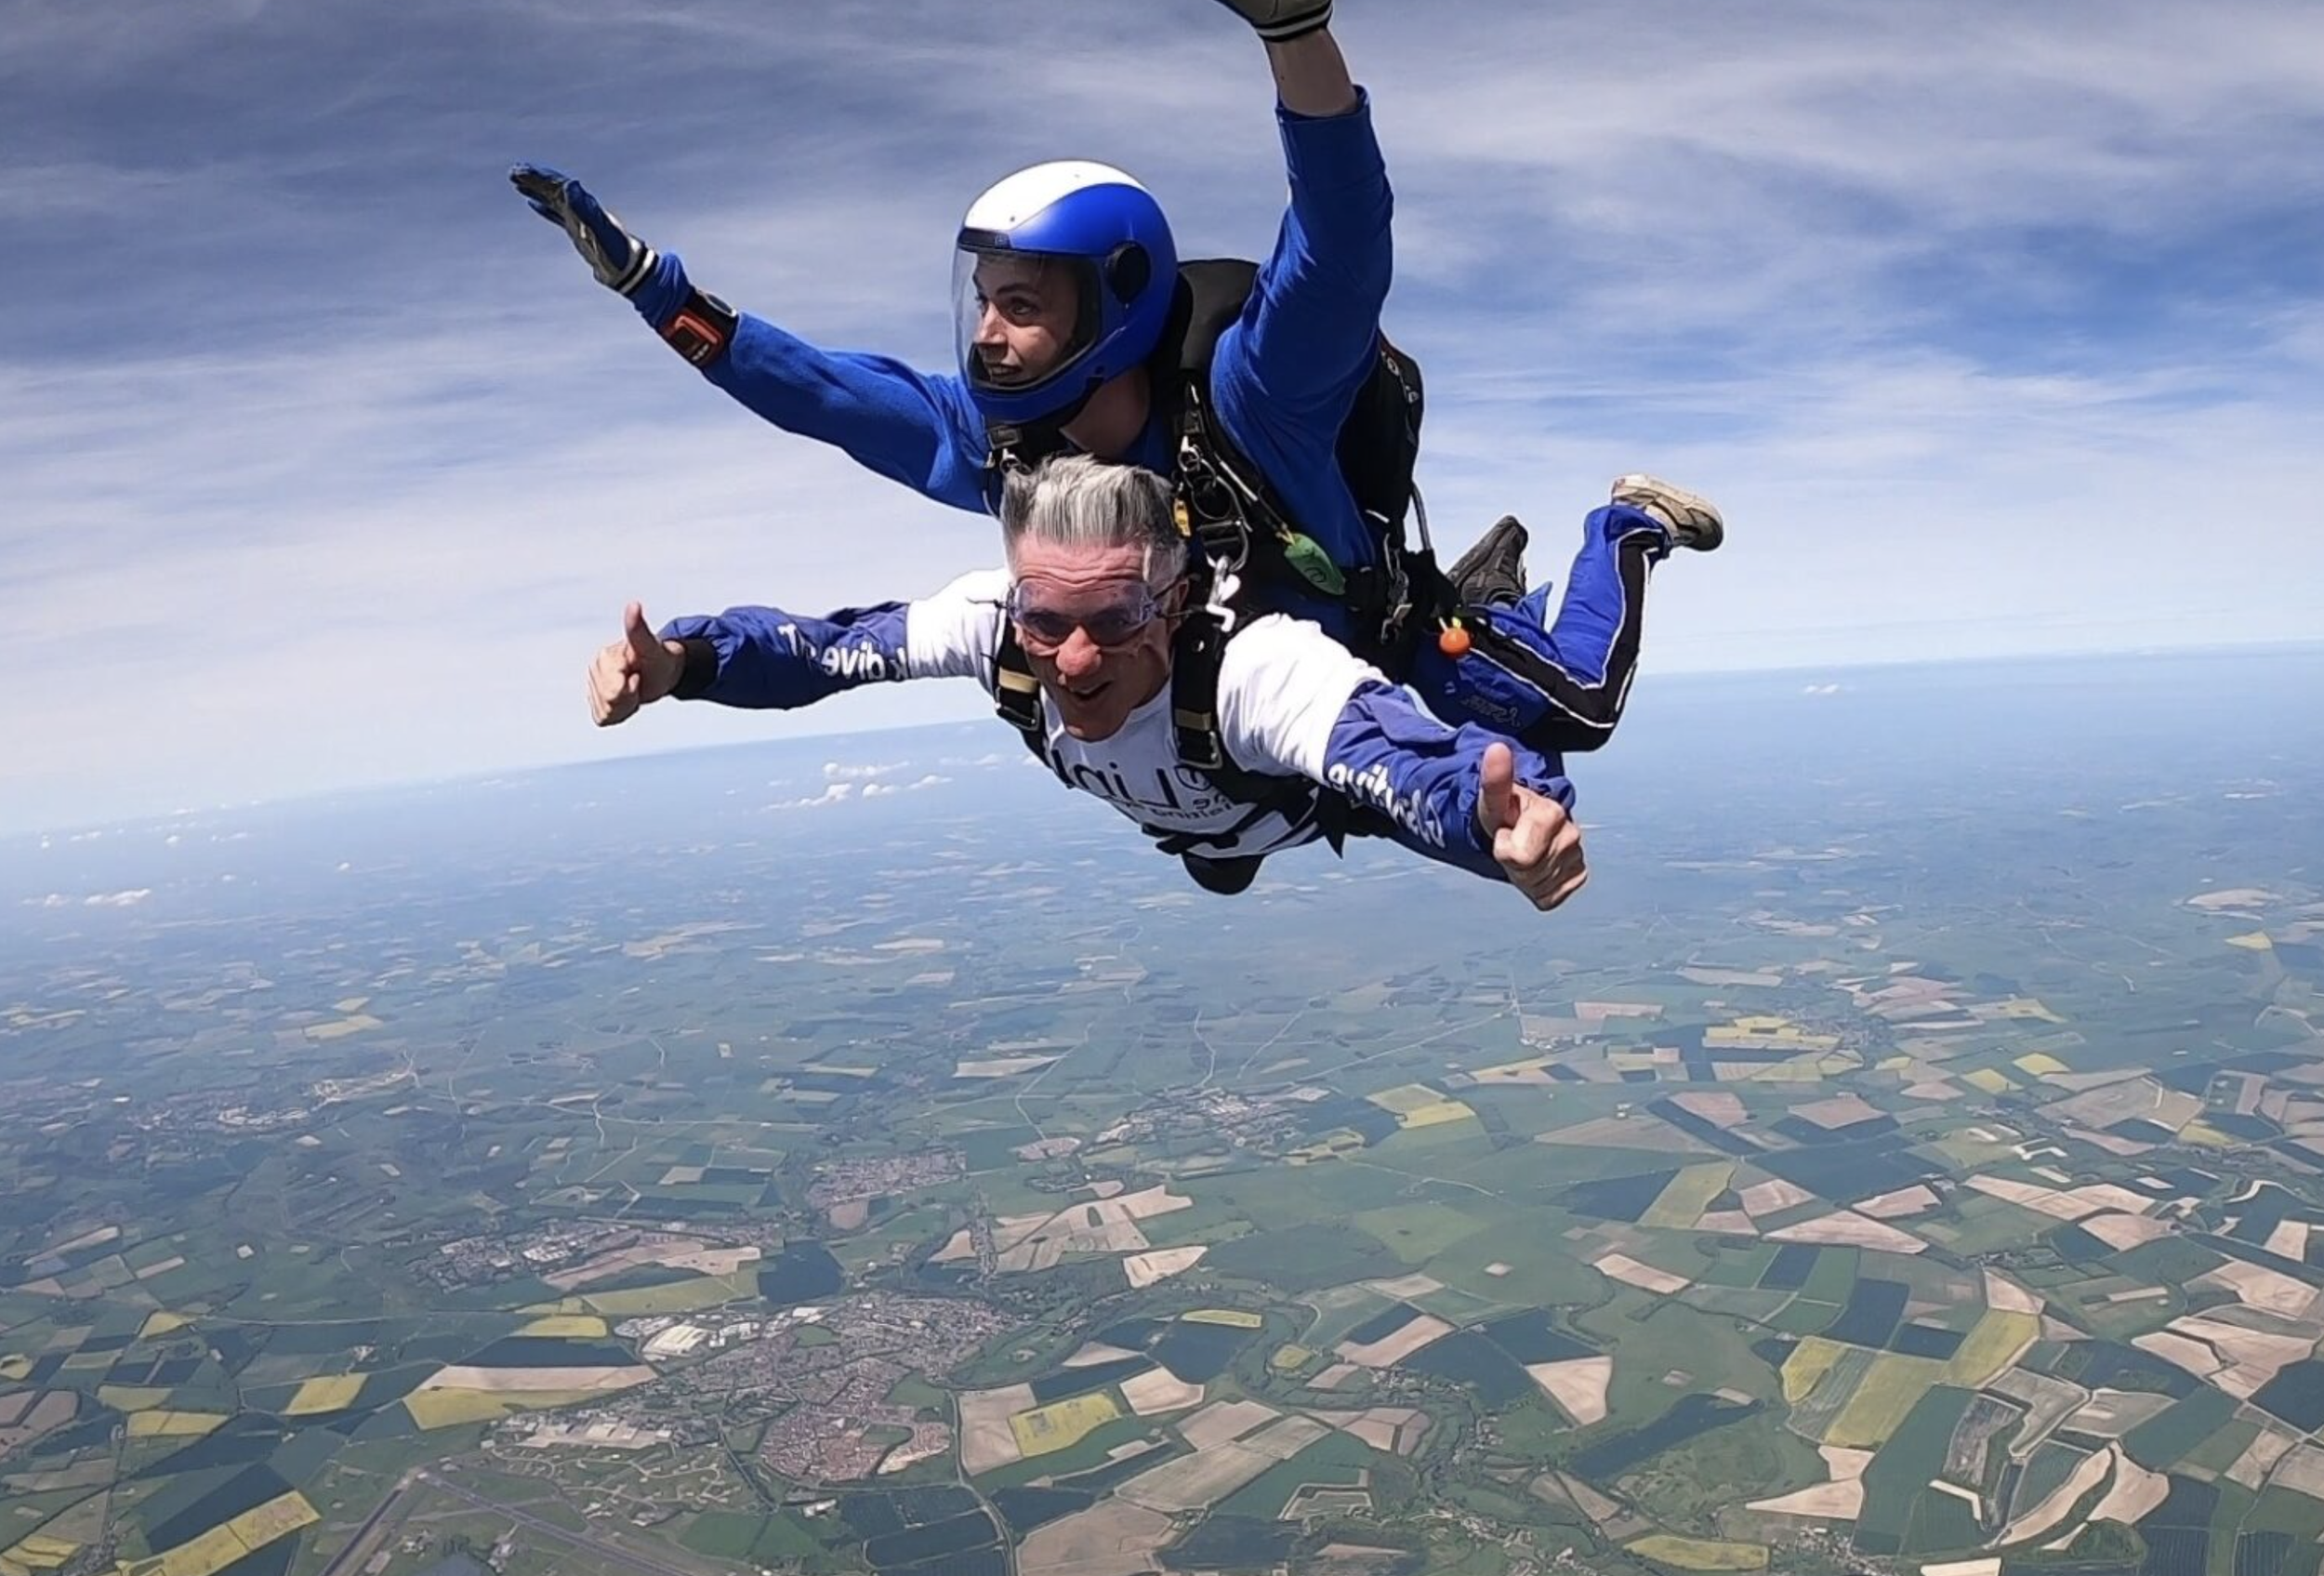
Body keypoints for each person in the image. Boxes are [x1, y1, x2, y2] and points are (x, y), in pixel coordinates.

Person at [516, 0, 1723, 762]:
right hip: (1242, 684)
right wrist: (653, 289)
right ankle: (1489, 587)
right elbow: (817, 393)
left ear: (1115, 303)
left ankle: (1622, 525)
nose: (987, 336)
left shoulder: (1252, 398)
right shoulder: (1006, 449)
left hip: (1376, 638)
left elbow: (1342, 245)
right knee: (1221, 836)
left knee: (1573, 713)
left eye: (1023, 305)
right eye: (982, 300)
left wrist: (1295, 33)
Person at [586, 456, 1590, 909]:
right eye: (1044, 619)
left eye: (1114, 620)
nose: (1070, 659)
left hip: (1296, 800)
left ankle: (1569, 561)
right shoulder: (993, 623)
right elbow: (823, 649)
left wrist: (1491, 820)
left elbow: (1393, 757)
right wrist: (685, 662)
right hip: (1209, 824)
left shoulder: (1253, 671)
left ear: (1177, 602)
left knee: (1528, 786)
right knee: (1217, 868)